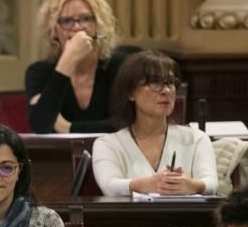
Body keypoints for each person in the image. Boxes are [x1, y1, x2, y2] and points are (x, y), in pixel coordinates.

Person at [92, 50, 217, 196]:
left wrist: (191, 185)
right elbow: (109, 186)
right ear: (131, 93)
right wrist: (151, 183)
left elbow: (211, 184)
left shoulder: (196, 138)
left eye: (170, 83)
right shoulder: (108, 144)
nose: (166, 91)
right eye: (155, 82)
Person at [26, 0, 136, 134]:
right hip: (59, 156)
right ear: (54, 30)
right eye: (66, 21)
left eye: (86, 19)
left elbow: (128, 123)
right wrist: (69, 59)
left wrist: (69, 128)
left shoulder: (121, 66)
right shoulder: (39, 72)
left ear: (98, 26)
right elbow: (40, 125)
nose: (77, 27)